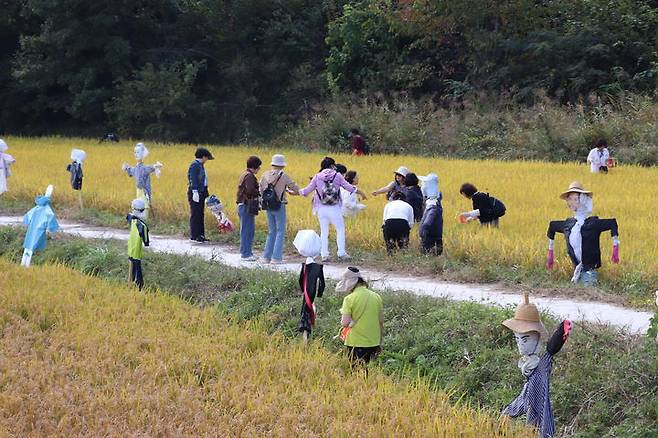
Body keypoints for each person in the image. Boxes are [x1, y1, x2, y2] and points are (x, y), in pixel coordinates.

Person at [502, 293, 572, 438]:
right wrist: (509, 412)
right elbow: (526, 396)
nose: (520, 345)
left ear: (538, 338)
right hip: (531, 417)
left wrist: (563, 329)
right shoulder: (528, 365)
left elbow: (553, 348)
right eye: (517, 340)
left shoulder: (542, 362)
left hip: (542, 418)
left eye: (525, 340)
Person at [546, 181, 619, 286]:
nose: (571, 202)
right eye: (569, 199)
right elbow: (552, 226)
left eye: (575, 199)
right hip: (576, 271)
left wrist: (615, 245)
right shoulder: (569, 224)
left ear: (583, 200)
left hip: (589, 272)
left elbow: (612, 223)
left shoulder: (593, 224)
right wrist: (550, 251)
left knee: (587, 295)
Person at [299, 157, 368, 262]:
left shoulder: (317, 176)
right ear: (332, 166)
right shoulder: (338, 175)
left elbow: (306, 191)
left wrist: (294, 191)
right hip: (334, 208)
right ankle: (341, 253)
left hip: (321, 208)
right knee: (340, 229)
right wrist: (361, 193)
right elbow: (349, 187)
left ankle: (324, 254)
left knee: (324, 231)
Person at [337, 267, 384, 370]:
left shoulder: (349, 299)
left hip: (355, 342)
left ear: (351, 283)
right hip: (373, 342)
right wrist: (380, 341)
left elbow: (345, 323)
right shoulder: (376, 297)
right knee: (366, 369)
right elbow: (381, 322)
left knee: (357, 372)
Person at [259, 154, 300, 264]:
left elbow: (260, 189)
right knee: (280, 231)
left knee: (271, 231)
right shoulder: (284, 176)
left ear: (272, 164)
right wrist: (294, 192)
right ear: (282, 165)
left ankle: (266, 257)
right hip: (279, 205)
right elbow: (295, 188)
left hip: (267, 205)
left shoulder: (265, 174)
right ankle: (276, 258)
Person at [293, 230, 325, 344]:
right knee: (309, 310)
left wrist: (302, 289)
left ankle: (305, 333)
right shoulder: (318, 267)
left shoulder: (305, 266)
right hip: (311, 293)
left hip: (307, 293)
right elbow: (322, 283)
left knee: (305, 310)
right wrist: (320, 293)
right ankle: (307, 334)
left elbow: (301, 280)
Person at [21, 185, 59, 267]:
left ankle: (23, 263)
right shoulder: (47, 209)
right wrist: (50, 228)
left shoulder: (37, 207)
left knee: (29, 245)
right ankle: (28, 265)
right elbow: (51, 218)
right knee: (34, 245)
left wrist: (27, 222)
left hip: (32, 228)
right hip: (39, 229)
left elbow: (27, 216)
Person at [122, 143, 163, 219]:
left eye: (138, 152)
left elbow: (150, 167)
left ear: (143, 154)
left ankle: (142, 219)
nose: (136, 154)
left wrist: (155, 166)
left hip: (144, 192)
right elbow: (131, 170)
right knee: (137, 206)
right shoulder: (136, 168)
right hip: (138, 191)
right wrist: (126, 168)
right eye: (135, 152)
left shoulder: (144, 168)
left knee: (145, 208)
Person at [237, 155, 262, 261]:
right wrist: (260, 190)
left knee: (246, 229)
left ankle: (246, 252)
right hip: (246, 205)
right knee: (248, 230)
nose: (259, 169)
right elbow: (250, 191)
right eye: (259, 167)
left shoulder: (245, 174)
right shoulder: (250, 176)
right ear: (255, 166)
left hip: (242, 205)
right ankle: (246, 254)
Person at [187, 147, 214, 242]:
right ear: (203, 157)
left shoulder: (200, 165)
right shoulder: (195, 165)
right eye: (207, 158)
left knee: (200, 214)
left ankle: (201, 235)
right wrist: (195, 191)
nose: (207, 160)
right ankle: (194, 235)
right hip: (196, 192)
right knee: (195, 214)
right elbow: (193, 179)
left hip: (201, 192)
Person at [126, 198, 150, 290]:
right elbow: (146, 241)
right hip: (136, 250)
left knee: (134, 268)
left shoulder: (132, 219)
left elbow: (128, 216)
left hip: (132, 248)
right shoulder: (141, 225)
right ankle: (138, 286)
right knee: (137, 270)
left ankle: (133, 284)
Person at [418, 173, 443, 255]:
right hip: (437, 238)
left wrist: (422, 235)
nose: (422, 186)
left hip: (430, 241)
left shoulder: (432, 206)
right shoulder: (435, 202)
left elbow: (426, 224)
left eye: (424, 184)